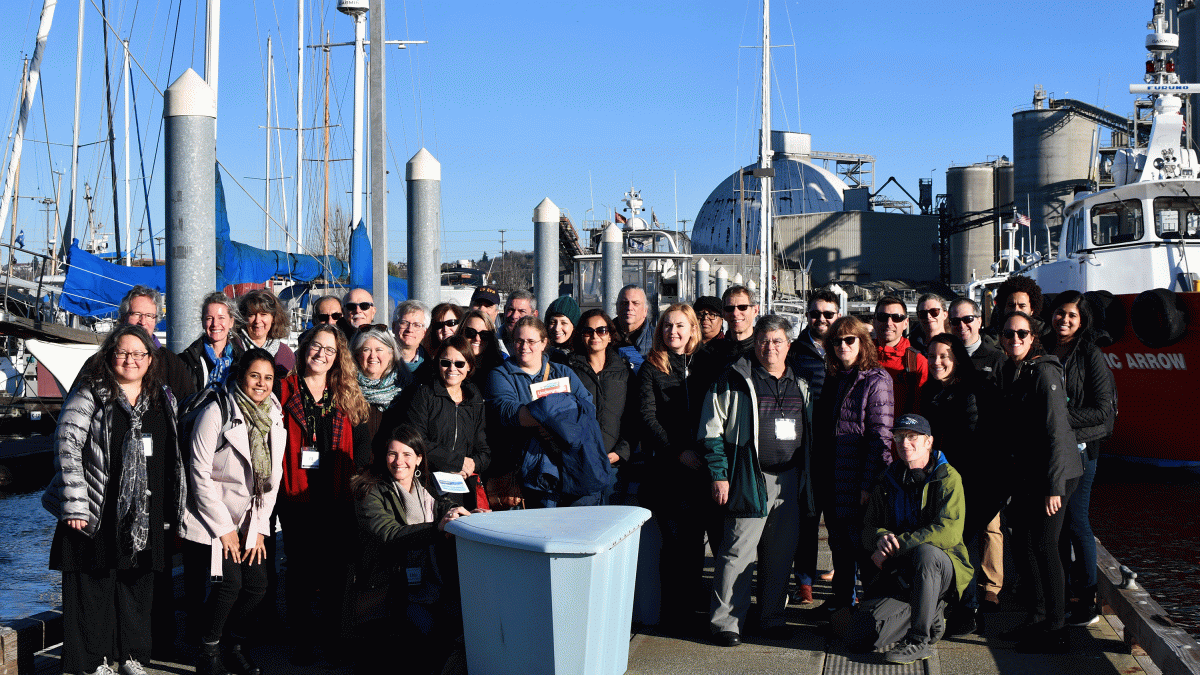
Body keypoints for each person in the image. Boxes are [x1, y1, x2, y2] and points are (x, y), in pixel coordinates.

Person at [44, 324, 186, 675]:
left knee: (137, 586)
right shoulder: (91, 393)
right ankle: (93, 661)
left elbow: (173, 456)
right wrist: (75, 503)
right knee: (92, 587)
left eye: (139, 354)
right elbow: (67, 445)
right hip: (96, 505)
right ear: (109, 356)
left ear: (150, 360)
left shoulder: (162, 397)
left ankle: (132, 657)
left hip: (143, 510)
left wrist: (176, 509)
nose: (130, 360)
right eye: (122, 353)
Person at [701, 315, 815, 646]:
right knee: (737, 551)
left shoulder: (801, 383)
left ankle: (772, 618)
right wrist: (719, 475)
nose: (770, 348)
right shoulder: (734, 379)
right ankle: (726, 623)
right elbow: (711, 431)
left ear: (788, 345)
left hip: (790, 479)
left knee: (780, 555)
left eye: (777, 341)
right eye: (764, 341)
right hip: (749, 476)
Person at [180, 349, 285, 675]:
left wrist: (257, 529)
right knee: (229, 585)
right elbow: (199, 475)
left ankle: (235, 643)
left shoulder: (273, 415)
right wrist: (225, 529)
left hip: (249, 516)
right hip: (213, 516)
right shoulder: (217, 411)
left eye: (268, 378)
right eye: (255, 376)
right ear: (240, 376)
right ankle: (208, 649)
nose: (261, 384)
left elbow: (273, 478)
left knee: (257, 586)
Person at [277, 325, 371, 663]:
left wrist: (355, 475)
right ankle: (302, 639)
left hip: (335, 494)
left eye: (329, 350)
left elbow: (361, 441)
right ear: (304, 349)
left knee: (335, 571)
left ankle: (333, 637)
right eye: (316, 346)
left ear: (337, 357)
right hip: (295, 492)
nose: (321, 354)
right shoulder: (283, 389)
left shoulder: (345, 392)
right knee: (301, 568)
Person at [850, 414, 972, 665]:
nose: (904, 443)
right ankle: (931, 616)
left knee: (926, 554)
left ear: (929, 442)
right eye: (899, 437)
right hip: (901, 573)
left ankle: (919, 640)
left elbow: (948, 532)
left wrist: (897, 546)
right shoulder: (888, 478)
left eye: (912, 437)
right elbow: (868, 528)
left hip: (942, 567)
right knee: (857, 638)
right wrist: (880, 538)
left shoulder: (948, 477)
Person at [352, 425, 472, 675]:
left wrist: (457, 514)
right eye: (392, 454)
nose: (399, 461)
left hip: (431, 581)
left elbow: (444, 505)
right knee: (427, 634)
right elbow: (390, 534)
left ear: (419, 458)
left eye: (407, 454)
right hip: (391, 585)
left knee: (461, 629)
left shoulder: (426, 486)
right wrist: (437, 528)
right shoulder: (369, 490)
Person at [995, 311, 1082, 653]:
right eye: (1007, 334)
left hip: (1054, 475)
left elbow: (1057, 431)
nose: (1014, 339)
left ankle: (1057, 630)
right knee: (1025, 544)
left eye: (1021, 333)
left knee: (1046, 547)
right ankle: (1037, 617)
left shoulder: (1044, 371)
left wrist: (1054, 487)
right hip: (1031, 475)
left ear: (1032, 338)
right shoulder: (1015, 370)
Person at [639, 303, 716, 634]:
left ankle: (691, 609)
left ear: (692, 329)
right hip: (668, 471)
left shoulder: (706, 364)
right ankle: (673, 614)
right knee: (673, 545)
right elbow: (647, 417)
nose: (673, 331)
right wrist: (676, 452)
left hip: (701, 469)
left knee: (695, 545)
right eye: (668, 326)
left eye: (680, 326)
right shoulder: (651, 367)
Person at [485, 316, 610, 509]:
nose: (524, 346)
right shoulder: (500, 374)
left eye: (531, 341)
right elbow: (508, 413)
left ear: (544, 343)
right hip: (528, 476)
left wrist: (544, 418)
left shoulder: (562, 372)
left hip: (571, 468)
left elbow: (587, 408)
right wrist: (560, 412)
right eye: (519, 341)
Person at [1045, 291, 1116, 627]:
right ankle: (1060, 596)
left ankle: (1087, 600)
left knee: (1076, 521)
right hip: (1048, 450)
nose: (1065, 320)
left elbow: (1104, 411)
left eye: (1072, 315)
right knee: (1055, 526)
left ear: (1082, 319)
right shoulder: (1043, 347)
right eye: (1060, 313)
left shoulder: (1090, 353)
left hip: (1082, 450)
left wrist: (1060, 417)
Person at [920, 332, 999, 635]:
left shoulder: (971, 391)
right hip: (940, 478)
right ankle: (951, 604)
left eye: (944, 356)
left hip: (971, 480)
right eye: (932, 356)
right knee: (947, 542)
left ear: (956, 359)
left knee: (962, 543)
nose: (937, 362)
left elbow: (972, 440)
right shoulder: (932, 390)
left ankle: (969, 609)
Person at [816, 316, 894, 612]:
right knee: (839, 546)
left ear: (862, 343)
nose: (843, 346)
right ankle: (842, 604)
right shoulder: (836, 377)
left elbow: (880, 436)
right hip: (834, 476)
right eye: (837, 341)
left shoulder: (876, 379)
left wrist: (867, 484)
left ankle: (874, 610)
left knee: (863, 547)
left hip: (858, 478)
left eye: (850, 340)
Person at [387, 334, 491, 509]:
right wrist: (456, 461)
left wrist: (473, 463)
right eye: (445, 362)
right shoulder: (424, 395)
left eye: (459, 364)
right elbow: (417, 442)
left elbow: (483, 448)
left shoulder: (475, 399)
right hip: (429, 486)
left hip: (464, 488)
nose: (452, 368)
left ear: (469, 367)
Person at [786, 288, 841, 602]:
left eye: (828, 314)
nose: (821, 319)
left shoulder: (846, 347)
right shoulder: (796, 351)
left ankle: (844, 583)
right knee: (806, 520)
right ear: (807, 316)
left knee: (839, 522)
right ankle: (804, 581)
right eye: (815, 314)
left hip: (839, 448)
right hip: (806, 448)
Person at [567, 309, 637, 498]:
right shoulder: (568, 371)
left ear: (610, 336)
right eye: (588, 331)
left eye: (601, 330)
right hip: (579, 465)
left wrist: (620, 453)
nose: (595, 335)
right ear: (581, 336)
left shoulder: (624, 373)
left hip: (614, 467)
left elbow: (633, 417)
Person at [352, 325, 413, 442]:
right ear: (357, 355)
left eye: (379, 350)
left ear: (391, 354)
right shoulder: (346, 390)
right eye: (366, 350)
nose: (372, 356)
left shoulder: (406, 390)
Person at [180, 292, 247, 393]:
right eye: (209, 318)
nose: (215, 324)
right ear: (203, 322)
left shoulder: (242, 359)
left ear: (231, 322)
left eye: (221, 318)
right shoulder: (187, 361)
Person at [872, 296, 927, 417]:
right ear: (874, 321)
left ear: (906, 323)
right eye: (883, 317)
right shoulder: (860, 356)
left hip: (900, 433)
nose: (889, 323)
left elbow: (919, 411)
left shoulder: (916, 362)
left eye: (896, 318)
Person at [237, 289, 296, 382]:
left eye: (263, 314)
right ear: (244, 317)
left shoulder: (285, 354)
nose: (257, 320)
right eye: (252, 314)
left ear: (273, 318)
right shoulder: (232, 348)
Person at [949, 298, 1005, 380]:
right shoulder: (942, 357)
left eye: (968, 319)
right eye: (955, 321)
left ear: (979, 321)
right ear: (950, 324)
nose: (962, 326)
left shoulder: (997, 359)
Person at [459, 309, 505, 379]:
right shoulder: (449, 365)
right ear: (461, 332)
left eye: (484, 334)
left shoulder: (501, 368)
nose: (477, 339)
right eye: (471, 332)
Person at [615, 284, 655, 356]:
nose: (629, 307)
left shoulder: (658, 339)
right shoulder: (601, 335)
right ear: (617, 308)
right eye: (624, 303)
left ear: (645, 310)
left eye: (635, 303)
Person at [393, 299, 431, 372]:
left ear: (424, 332)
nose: (410, 329)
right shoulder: (379, 360)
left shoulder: (432, 368)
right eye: (404, 323)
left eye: (417, 325)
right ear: (394, 326)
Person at [499, 290, 538, 355]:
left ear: (534, 315)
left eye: (522, 311)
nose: (514, 316)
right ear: (504, 310)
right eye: (511, 310)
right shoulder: (490, 343)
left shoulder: (544, 347)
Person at [545, 295, 581, 362]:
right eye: (553, 322)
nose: (557, 328)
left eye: (564, 323)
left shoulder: (583, 356)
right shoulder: (539, 352)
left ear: (574, 326)